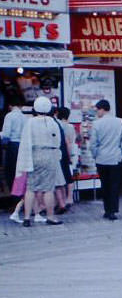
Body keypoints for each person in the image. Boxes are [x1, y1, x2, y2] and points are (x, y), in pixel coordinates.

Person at [15, 97, 65, 226]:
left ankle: (26, 218)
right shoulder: (53, 122)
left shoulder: (30, 122)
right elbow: (57, 141)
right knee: (48, 188)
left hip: (34, 154)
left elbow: (25, 141)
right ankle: (50, 216)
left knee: (31, 187)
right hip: (49, 155)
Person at [90, 100, 122, 221]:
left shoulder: (96, 124)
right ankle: (113, 210)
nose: (96, 112)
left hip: (101, 158)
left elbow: (93, 144)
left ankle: (107, 209)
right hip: (116, 158)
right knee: (114, 185)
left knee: (104, 185)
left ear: (102, 109)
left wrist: (95, 155)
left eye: (97, 110)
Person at [54, 107, 77, 213]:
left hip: (63, 152)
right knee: (69, 175)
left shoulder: (58, 125)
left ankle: (61, 200)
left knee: (62, 176)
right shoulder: (70, 126)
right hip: (72, 151)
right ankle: (70, 198)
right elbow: (72, 140)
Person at [1, 98, 27, 194]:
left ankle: (13, 194)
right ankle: (20, 193)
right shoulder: (24, 117)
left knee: (10, 171)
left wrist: (3, 144)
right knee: (20, 172)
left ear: (10, 106)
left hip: (12, 146)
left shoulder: (9, 116)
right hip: (22, 146)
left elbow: (6, 134)